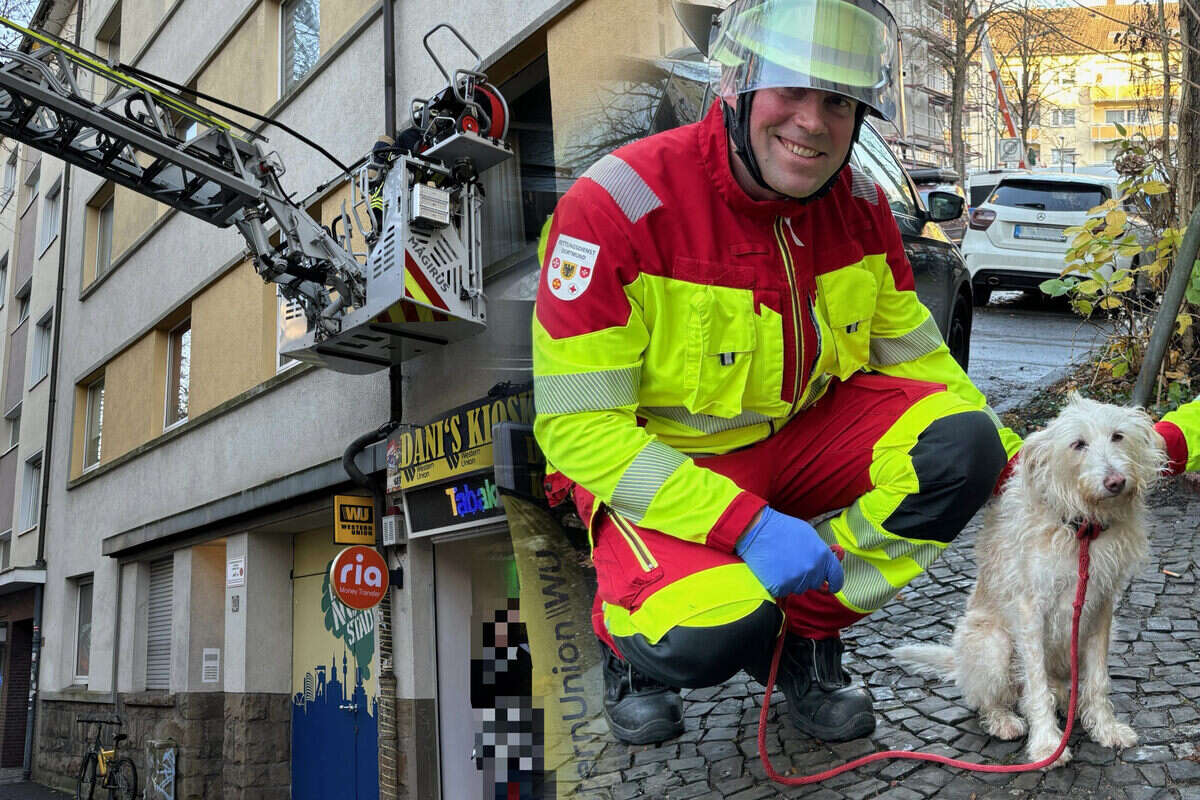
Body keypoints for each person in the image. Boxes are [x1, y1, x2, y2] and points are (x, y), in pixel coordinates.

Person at [531, 0, 1023, 746]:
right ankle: (629, 644)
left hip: (797, 445)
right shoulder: (615, 206)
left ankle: (801, 636)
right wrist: (747, 525)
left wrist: (1020, 461)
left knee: (965, 448)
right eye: (791, 89)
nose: (813, 122)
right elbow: (579, 430)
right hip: (666, 464)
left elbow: (920, 363)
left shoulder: (858, 206)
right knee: (707, 637)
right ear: (739, 85)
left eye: (837, 101)